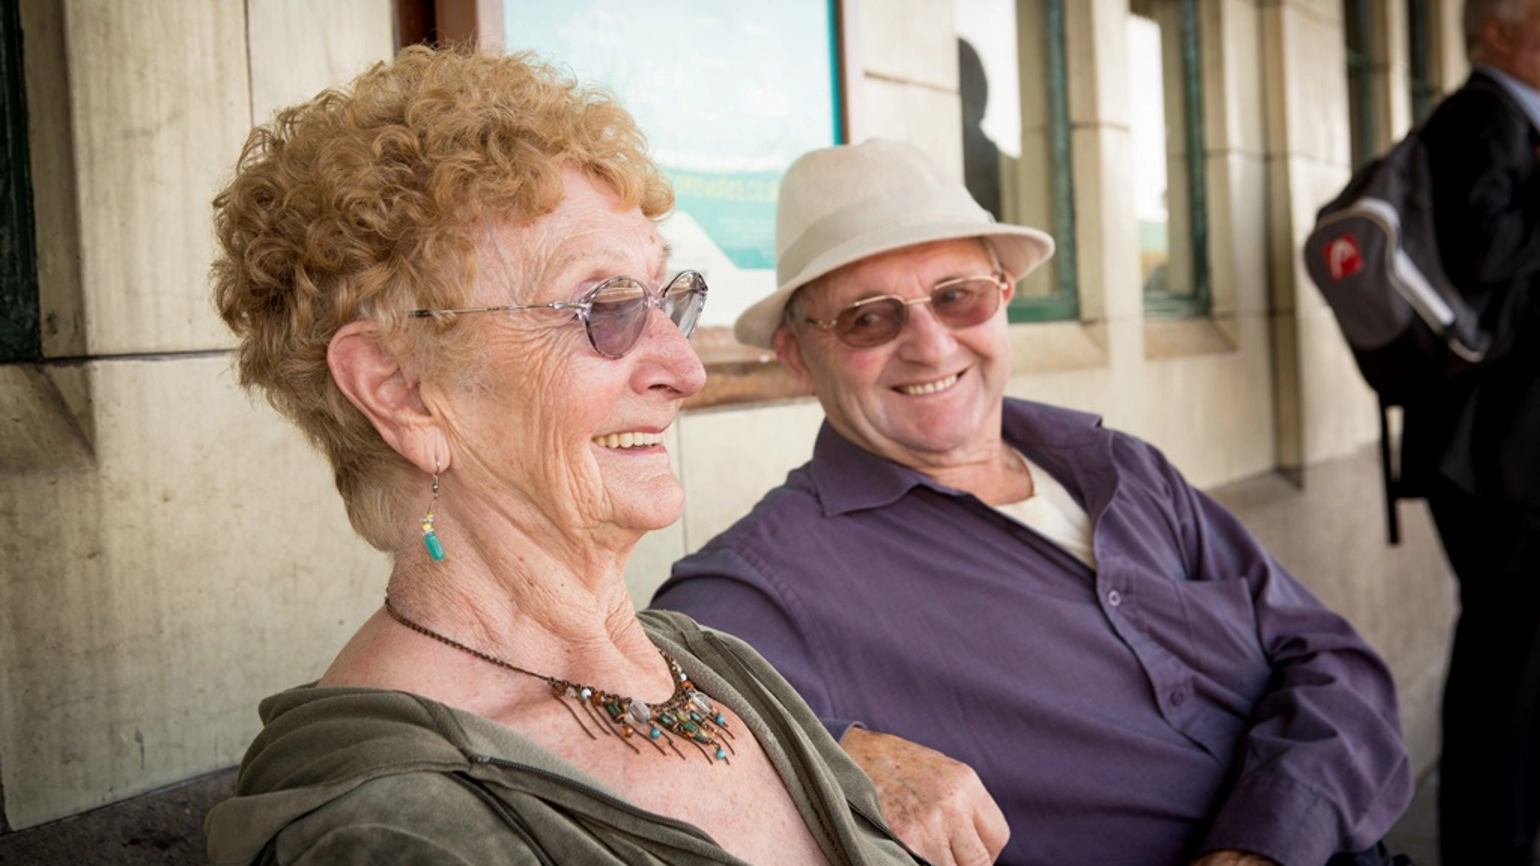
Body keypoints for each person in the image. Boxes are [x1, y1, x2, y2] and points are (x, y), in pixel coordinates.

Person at [201, 48, 923, 866]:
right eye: (605, 308)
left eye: (668, 302)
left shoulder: (707, 663)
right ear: (400, 388)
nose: (684, 372)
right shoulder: (394, 831)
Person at [651, 138, 1415, 866]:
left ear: (1004, 298)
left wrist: (1262, 842)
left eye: (958, 297)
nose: (930, 344)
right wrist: (836, 752)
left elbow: (1336, 664)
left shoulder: (1120, 467)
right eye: (869, 317)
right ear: (796, 355)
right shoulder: (769, 579)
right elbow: (638, 715)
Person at [1405, 2, 1540, 862]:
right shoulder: (1480, 118)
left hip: (1501, 451)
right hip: (1492, 455)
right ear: (1497, 31)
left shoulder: (1500, 122)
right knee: (1507, 660)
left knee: (1513, 655)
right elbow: (1487, 254)